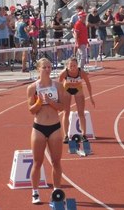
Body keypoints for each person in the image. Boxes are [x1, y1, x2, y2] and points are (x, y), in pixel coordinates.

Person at [27, 58, 65, 205]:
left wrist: (50, 102)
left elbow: (62, 106)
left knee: (56, 161)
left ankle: (56, 191)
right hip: (39, 127)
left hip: (55, 126)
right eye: (45, 67)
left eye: (49, 67)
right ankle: (35, 192)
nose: (48, 69)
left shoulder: (58, 86)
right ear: (38, 69)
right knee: (37, 162)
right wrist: (38, 102)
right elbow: (31, 110)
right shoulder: (32, 87)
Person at [59, 57, 94, 144]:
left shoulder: (81, 72)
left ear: (77, 65)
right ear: (67, 66)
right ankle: (66, 135)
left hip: (78, 89)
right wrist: (59, 98)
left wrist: (91, 97)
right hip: (66, 89)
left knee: (81, 112)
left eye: (74, 65)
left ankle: (83, 134)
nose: (73, 67)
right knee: (66, 112)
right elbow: (58, 86)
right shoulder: (64, 73)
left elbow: (88, 84)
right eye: (71, 66)